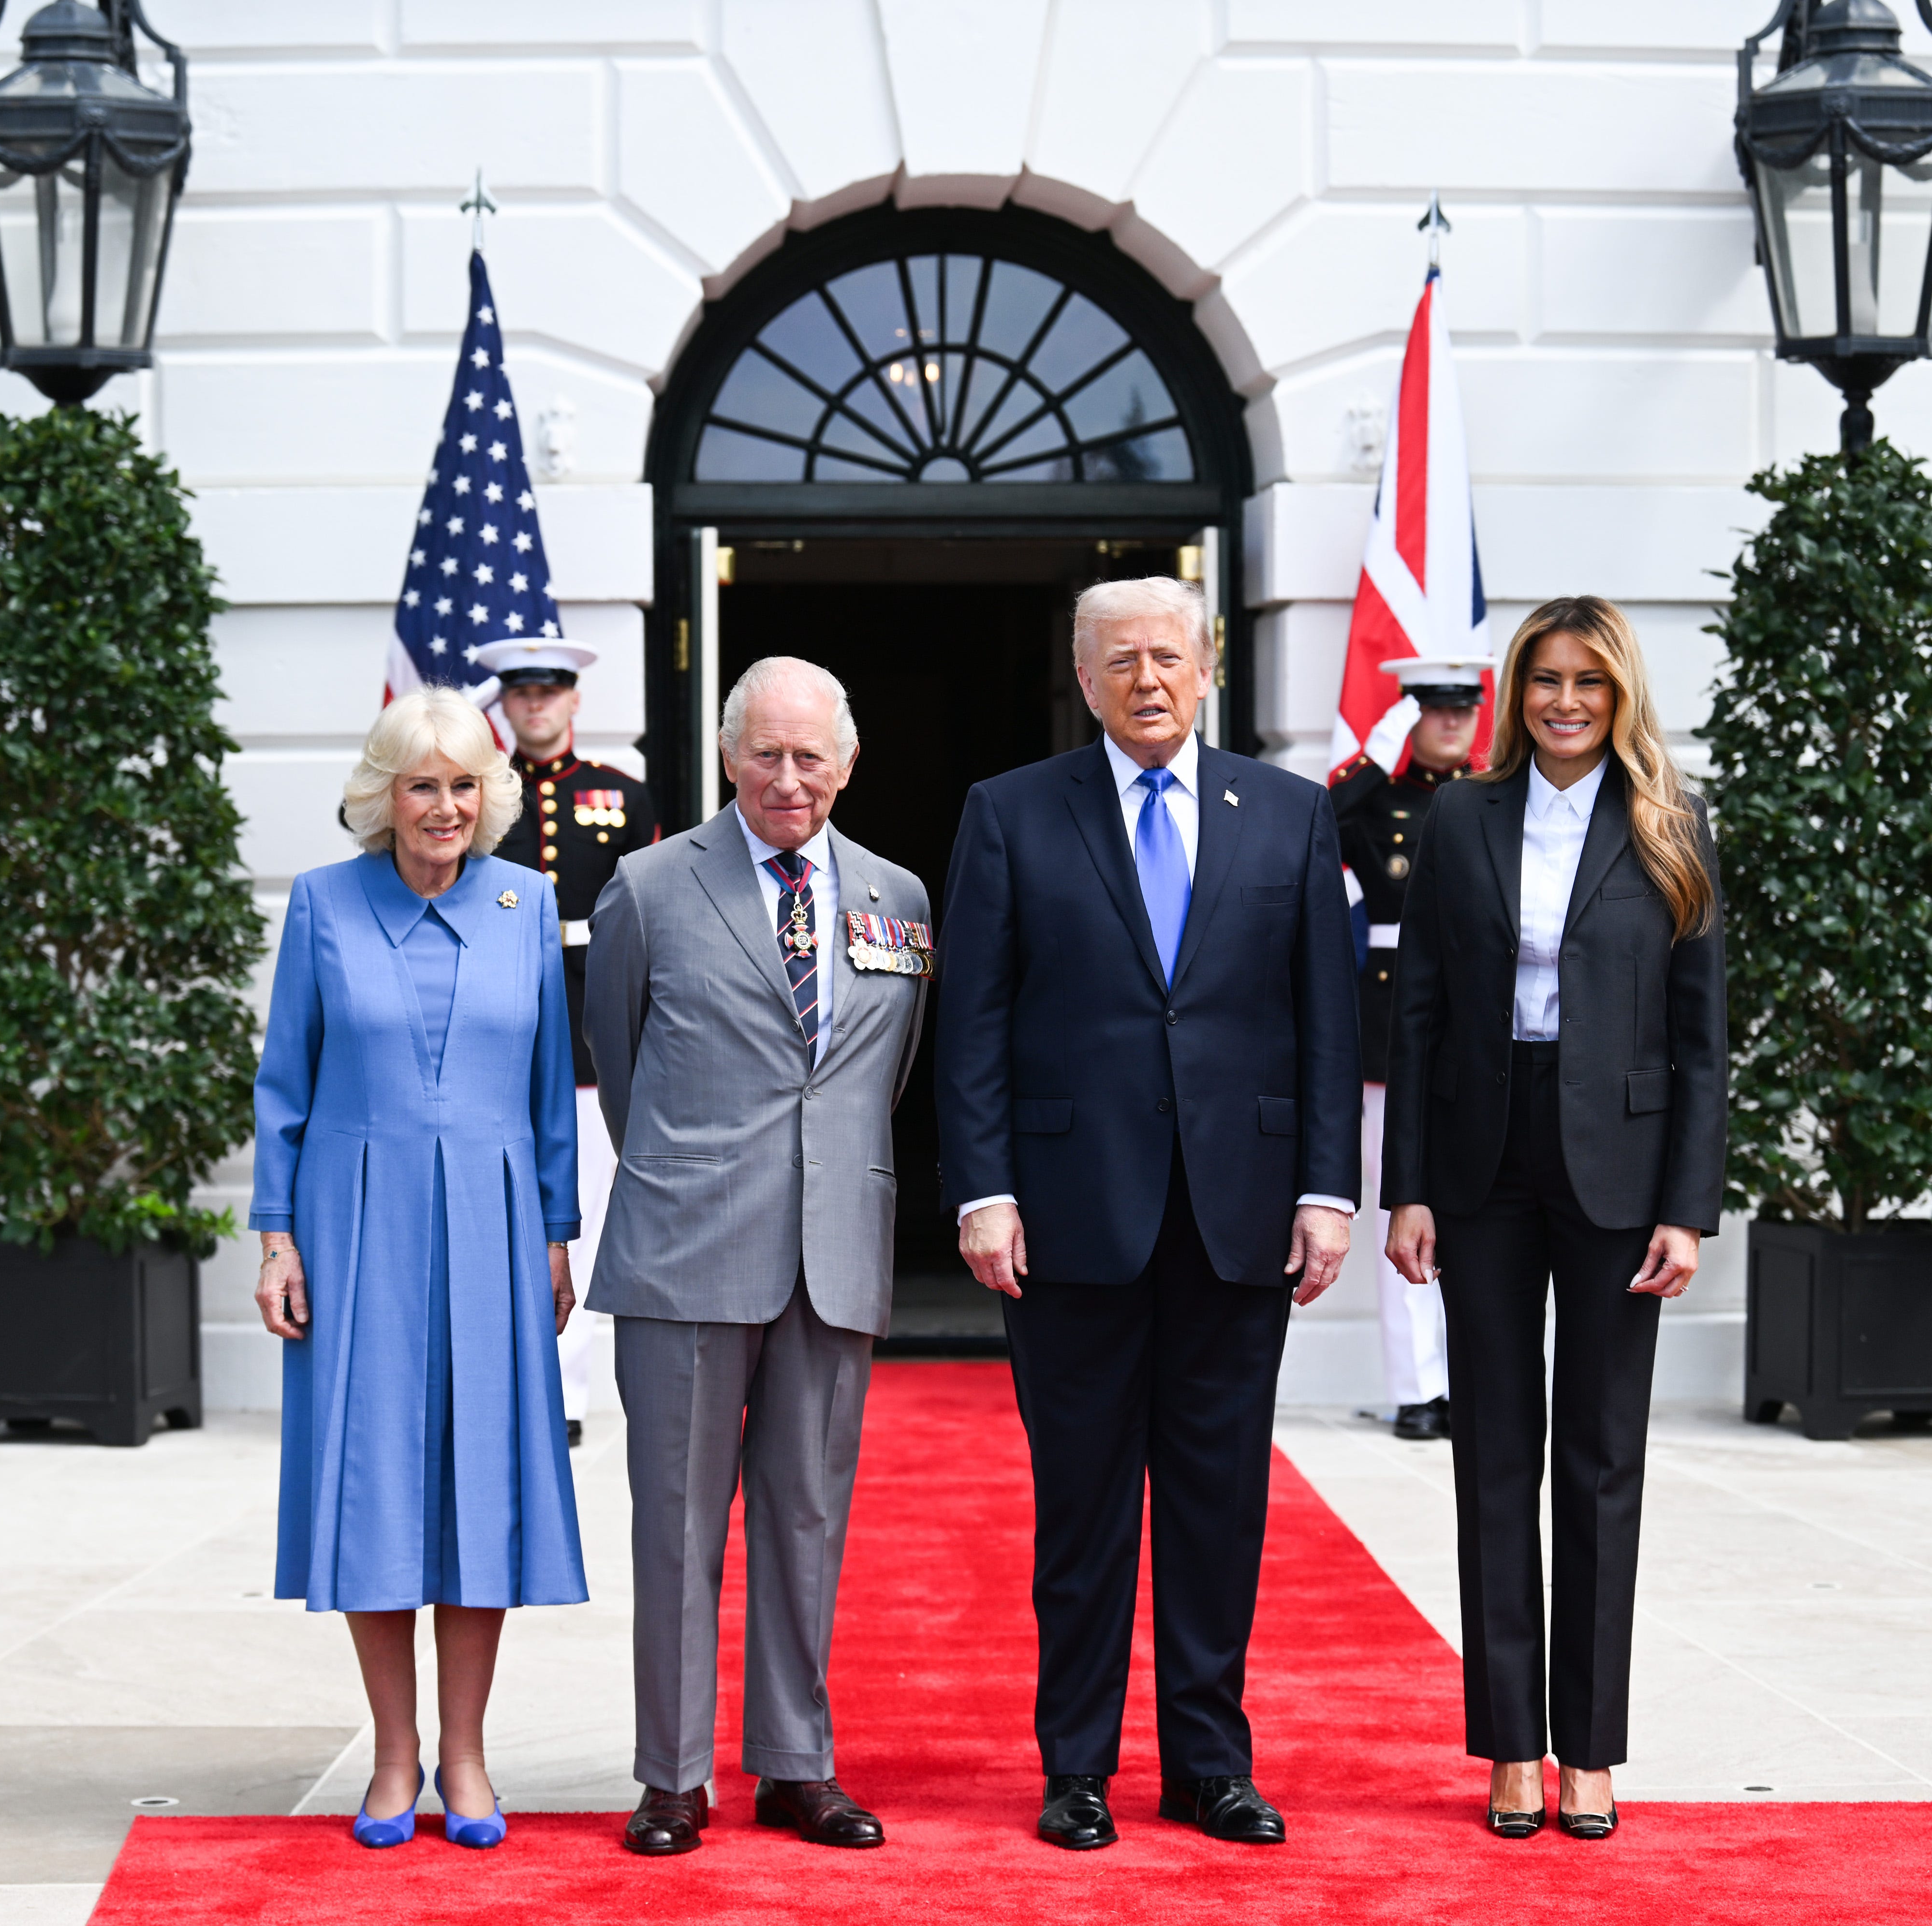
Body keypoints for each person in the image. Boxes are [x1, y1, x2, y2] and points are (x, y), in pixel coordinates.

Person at [939, 578, 1357, 1852]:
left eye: (1167, 655)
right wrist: (984, 1186)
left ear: (1207, 664)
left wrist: (1326, 1188)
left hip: (1236, 1214)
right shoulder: (1010, 812)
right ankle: (1076, 1767)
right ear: (1084, 677)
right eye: (1120, 659)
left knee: (1216, 1502)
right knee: (1080, 1506)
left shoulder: (1289, 816)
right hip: (1067, 1218)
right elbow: (974, 1018)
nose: (1148, 679)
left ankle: (1206, 1761)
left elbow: (1323, 1019)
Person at [1380, 595, 1726, 1844]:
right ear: (1514, 691)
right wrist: (1404, 1184)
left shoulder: (1667, 824)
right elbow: (1414, 1012)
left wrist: (1686, 1208)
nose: (1563, 700)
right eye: (1542, 678)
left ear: (1618, 692)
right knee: (1491, 1459)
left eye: (1586, 679)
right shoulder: (1462, 817)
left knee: (1596, 1457)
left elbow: (1700, 1039)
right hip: (1481, 1158)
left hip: (1616, 1171)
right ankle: (1509, 1744)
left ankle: (1588, 1748)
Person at [585, 656, 933, 1858]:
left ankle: (796, 1763)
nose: (789, 779)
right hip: (687, 1243)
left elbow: (878, 1076)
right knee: (676, 1523)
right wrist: (695, 1174)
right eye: (765, 754)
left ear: (847, 760)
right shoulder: (646, 885)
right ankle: (672, 1775)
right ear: (727, 755)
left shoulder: (898, 895)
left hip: (833, 1248)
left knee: (804, 1516)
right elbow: (621, 1075)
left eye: (811, 756)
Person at [249, 685, 584, 1853]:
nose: (445, 805)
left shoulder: (525, 899)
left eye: (463, 783)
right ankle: (394, 1757)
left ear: (487, 795)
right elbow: (282, 1084)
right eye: (420, 783)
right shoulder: (322, 906)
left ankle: (467, 1755)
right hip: (354, 1227)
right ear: (382, 796)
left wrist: (555, 1227)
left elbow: (551, 1089)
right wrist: (276, 1233)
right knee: (382, 1479)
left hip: (494, 1226)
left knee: (480, 1482)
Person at [480, 637, 660, 1447]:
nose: (536, 705)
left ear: (574, 699)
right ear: (505, 705)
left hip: (589, 1023)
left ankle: (564, 1394)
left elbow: (652, 920)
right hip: (495, 1016)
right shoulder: (480, 795)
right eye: (520, 693)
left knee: (576, 1213)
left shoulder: (621, 797)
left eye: (550, 690)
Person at [1331, 654, 1495, 1443]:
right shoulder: (1377, 805)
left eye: (1463, 709)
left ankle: (1474, 1379)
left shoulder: (1495, 799)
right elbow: (1314, 823)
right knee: (1402, 1212)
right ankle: (1417, 1389)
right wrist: (1373, 754)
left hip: (1483, 1032)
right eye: (1434, 710)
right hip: (1389, 1033)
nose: (1452, 722)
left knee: (1480, 1217)